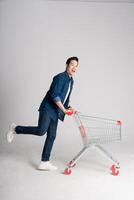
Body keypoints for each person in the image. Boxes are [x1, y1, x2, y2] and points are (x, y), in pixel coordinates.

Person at [7, 56, 79, 171]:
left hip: (55, 111)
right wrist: (64, 110)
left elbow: (65, 100)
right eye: (72, 64)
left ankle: (44, 162)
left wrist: (71, 108)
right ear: (66, 65)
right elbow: (54, 95)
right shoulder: (60, 77)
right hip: (48, 108)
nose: (74, 67)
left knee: (52, 135)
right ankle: (15, 128)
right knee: (41, 131)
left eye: (76, 66)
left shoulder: (71, 81)